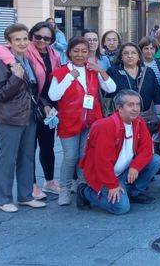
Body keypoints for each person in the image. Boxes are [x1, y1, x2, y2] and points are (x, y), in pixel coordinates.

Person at [0, 21, 62, 199]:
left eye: (46, 38)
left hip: (39, 110)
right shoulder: (13, 59)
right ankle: (12, 194)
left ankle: (36, 189)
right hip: (18, 113)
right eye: (37, 37)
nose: (23, 43)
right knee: (16, 155)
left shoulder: (42, 57)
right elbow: (1, 93)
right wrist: (16, 76)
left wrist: (47, 104)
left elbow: (41, 86)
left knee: (37, 152)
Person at [48, 36, 117, 206]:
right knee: (71, 157)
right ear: (69, 52)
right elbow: (54, 95)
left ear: (89, 52)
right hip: (69, 121)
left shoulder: (93, 69)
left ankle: (82, 188)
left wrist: (101, 71)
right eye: (76, 51)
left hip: (91, 122)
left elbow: (112, 88)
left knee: (85, 156)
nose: (80, 54)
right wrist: (70, 77)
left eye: (84, 51)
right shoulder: (62, 72)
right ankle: (64, 189)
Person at [76, 90, 160, 214]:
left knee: (155, 160)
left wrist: (135, 167)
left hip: (124, 169)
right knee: (121, 208)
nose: (136, 109)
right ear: (119, 107)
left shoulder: (139, 122)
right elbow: (102, 162)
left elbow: (147, 148)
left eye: (137, 104)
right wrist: (112, 185)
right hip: (104, 175)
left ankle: (134, 192)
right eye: (130, 105)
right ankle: (84, 192)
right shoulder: (106, 126)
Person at [108, 43, 160, 134]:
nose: (130, 56)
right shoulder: (113, 71)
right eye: (126, 53)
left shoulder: (148, 72)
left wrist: (158, 115)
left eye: (133, 53)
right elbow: (108, 94)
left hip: (145, 119)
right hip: (120, 119)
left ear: (138, 56)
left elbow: (157, 94)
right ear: (121, 57)